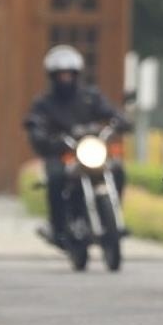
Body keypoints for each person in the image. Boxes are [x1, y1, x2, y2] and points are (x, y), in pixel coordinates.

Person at [24, 45, 128, 248]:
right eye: (61, 74)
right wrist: (39, 133)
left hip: (90, 149)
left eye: (69, 74)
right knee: (55, 178)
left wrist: (120, 120)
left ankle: (113, 218)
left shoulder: (91, 96)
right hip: (61, 152)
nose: (66, 78)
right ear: (53, 76)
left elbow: (110, 112)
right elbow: (35, 122)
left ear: (76, 74)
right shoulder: (44, 103)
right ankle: (58, 227)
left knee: (117, 170)